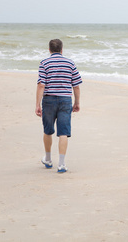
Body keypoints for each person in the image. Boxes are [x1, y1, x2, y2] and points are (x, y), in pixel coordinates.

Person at [35, 39, 82, 173]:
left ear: (49, 50)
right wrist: (77, 102)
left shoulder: (44, 63)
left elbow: (41, 85)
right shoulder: (70, 63)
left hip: (49, 100)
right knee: (63, 132)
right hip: (65, 100)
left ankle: (48, 159)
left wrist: (37, 104)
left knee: (47, 130)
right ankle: (61, 164)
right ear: (62, 49)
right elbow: (76, 86)